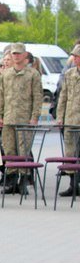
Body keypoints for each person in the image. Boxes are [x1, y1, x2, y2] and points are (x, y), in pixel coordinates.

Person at [0, 42, 41, 195]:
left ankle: (23, 182)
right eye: (14, 53)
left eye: (19, 53)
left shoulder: (32, 74)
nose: (16, 56)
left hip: (25, 119)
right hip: (8, 119)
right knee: (9, 149)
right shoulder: (6, 74)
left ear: (25, 55)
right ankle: (11, 181)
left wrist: (34, 116)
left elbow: (38, 97)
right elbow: (0, 97)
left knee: (23, 150)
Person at [55, 44, 80, 196]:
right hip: (71, 119)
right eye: (75, 56)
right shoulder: (70, 74)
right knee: (70, 153)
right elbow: (63, 96)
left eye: (77, 56)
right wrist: (60, 117)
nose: (75, 59)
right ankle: (73, 184)